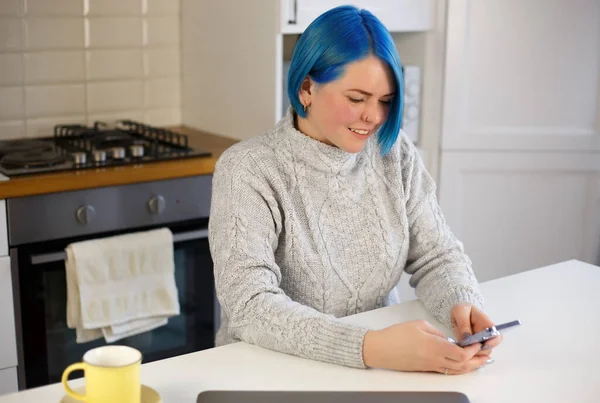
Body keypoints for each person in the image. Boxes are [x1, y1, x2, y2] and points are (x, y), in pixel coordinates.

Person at [208, 5, 502, 375]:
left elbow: (437, 256)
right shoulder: (248, 169)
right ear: (306, 88)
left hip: (377, 368)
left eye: (385, 101)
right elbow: (249, 305)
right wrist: (369, 347)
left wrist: (462, 303)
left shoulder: (393, 153)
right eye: (357, 99)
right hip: (269, 372)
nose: (374, 117)